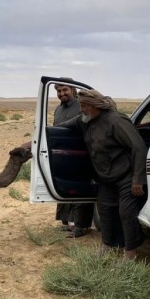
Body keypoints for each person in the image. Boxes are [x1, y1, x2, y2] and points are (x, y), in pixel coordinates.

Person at [58, 89, 147, 259]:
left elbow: (138, 147)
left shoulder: (116, 120)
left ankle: (130, 253)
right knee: (105, 211)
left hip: (126, 176)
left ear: (94, 106)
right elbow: (62, 127)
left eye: (83, 106)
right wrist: (38, 137)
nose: (80, 109)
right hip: (106, 178)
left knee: (126, 213)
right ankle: (107, 245)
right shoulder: (85, 121)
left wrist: (138, 179)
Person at [53, 84, 95, 238]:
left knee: (80, 189)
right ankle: (67, 222)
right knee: (64, 187)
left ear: (72, 90)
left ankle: (81, 226)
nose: (62, 93)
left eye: (65, 90)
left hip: (81, 154)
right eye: (58, 91)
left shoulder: (81, 106)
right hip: (63, 154)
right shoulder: (58, 109)